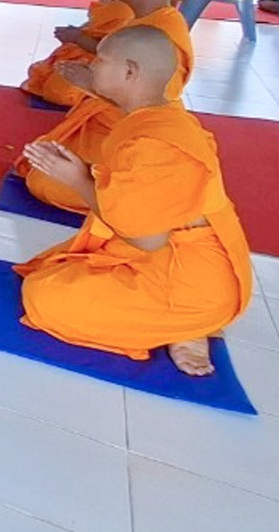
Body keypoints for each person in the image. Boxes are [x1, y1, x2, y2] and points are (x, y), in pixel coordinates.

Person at [18, 26, 254, 376]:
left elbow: (148, 238)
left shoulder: (156, 145)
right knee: (53, 270)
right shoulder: (159, 117)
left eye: (100, 60)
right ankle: (169, 321)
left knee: (44, 297)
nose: (92, 64)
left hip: (191, 286)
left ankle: (185, 329)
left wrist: (78, 180)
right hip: (164, 259)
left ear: (130, 73)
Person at [20, 0, 193, 213]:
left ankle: (130, 199)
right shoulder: (143, 20)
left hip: (133, 137)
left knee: (43, 181)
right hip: (107, 123)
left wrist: (90, 84)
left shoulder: (164, 35)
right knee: (40, 159)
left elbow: (154, 104)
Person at [24, 0, 132, 107]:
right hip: (81, 50)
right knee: (41, 75)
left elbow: (110, 51)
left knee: (60, 92)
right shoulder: (107, 0)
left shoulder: (126, 10)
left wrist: (78, 37)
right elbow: (92, 26)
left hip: (99, 60)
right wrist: (73, 34)